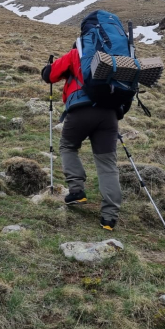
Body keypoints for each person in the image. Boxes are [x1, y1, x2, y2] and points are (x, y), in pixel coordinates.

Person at [41, 37, 122, 231]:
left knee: (68, 146)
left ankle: (77, 190)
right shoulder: (115, 57)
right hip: (110, 114)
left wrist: (47, 67)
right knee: (107, 164)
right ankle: (109, 218)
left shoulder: (76, 54)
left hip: (81, 110)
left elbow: (49, 75)